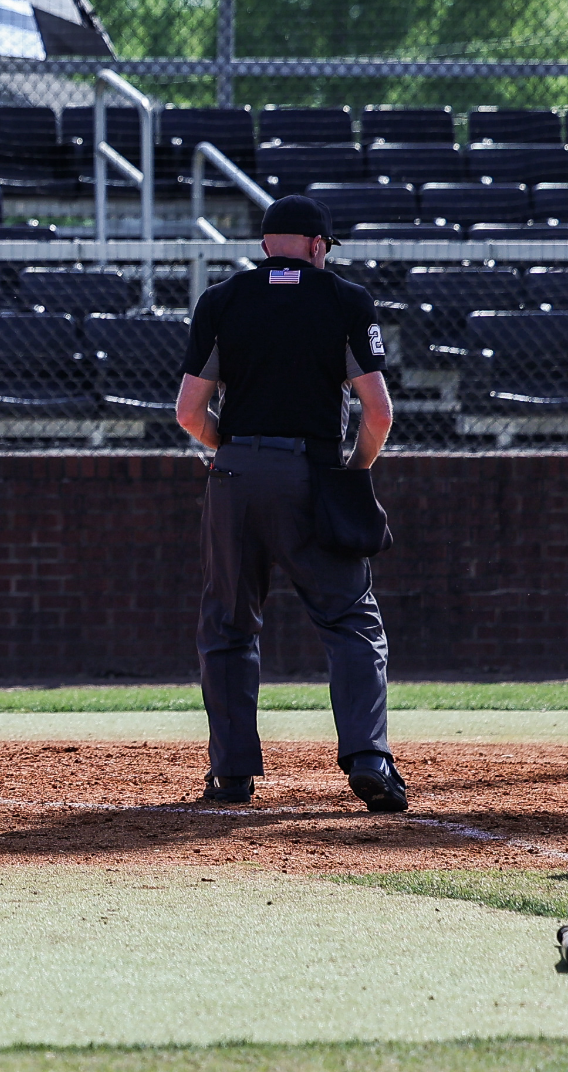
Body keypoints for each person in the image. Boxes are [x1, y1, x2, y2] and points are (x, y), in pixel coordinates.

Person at [175, 194, 406, 814]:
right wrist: (350, 473)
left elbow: (188, 412)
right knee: (350, 617)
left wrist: (238, 455)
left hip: (235, 477)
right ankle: (368, 758)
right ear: (317, 245)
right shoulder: (344, 299)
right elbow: (378, 413)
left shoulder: (221, 300)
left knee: (226, 626)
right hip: (312, 473)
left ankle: (231, 775)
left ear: (266, 243)